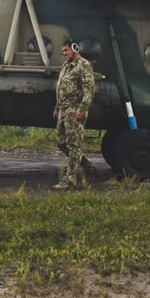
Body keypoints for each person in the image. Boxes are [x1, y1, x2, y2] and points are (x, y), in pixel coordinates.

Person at [52, 41, 96, 190]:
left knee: (74, 145)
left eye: (66, 50)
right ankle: (87, 165)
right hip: (63, 109)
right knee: (61, 142)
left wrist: (82, 109)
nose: (64, 53)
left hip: (75, 109)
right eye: (62, 51)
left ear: (75, 48)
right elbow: (61, 88)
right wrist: (57, 107)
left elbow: (89, 89)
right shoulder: (66, 66)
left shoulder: (83, 65)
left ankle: (69, 181)